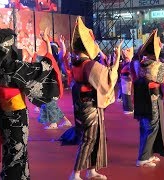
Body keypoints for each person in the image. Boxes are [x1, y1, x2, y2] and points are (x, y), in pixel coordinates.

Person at [0, 27, 63, 179]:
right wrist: (49, 50)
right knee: (17, 154)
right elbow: (44, 67)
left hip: (2, 115)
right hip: (17, 117)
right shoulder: (15, 67)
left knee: (10, 151)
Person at [68, 17, 123, 180]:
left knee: (97, 136)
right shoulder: (89, 65)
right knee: (90, 138)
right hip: (91, 106)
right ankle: (75, 173)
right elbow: (108, 77)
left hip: (84, 105)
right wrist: (118, 56)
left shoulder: (77, 63)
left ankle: (91, 170)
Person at [133, 29, 164, 167]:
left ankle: (149, 154)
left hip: (142, 98)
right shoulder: (157, 65)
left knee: (145, 127)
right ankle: (143, 158)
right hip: (152, 99)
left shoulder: (139, 64)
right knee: (152, 127)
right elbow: (162, 78)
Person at [120, 47, 134, 114]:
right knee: (125, 95)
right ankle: (127, 108)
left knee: (127, 95)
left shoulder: (129, 64)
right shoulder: (126, 63)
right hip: (124, 80)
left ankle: (128, 109)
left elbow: (131, 73)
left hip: (126, 81)